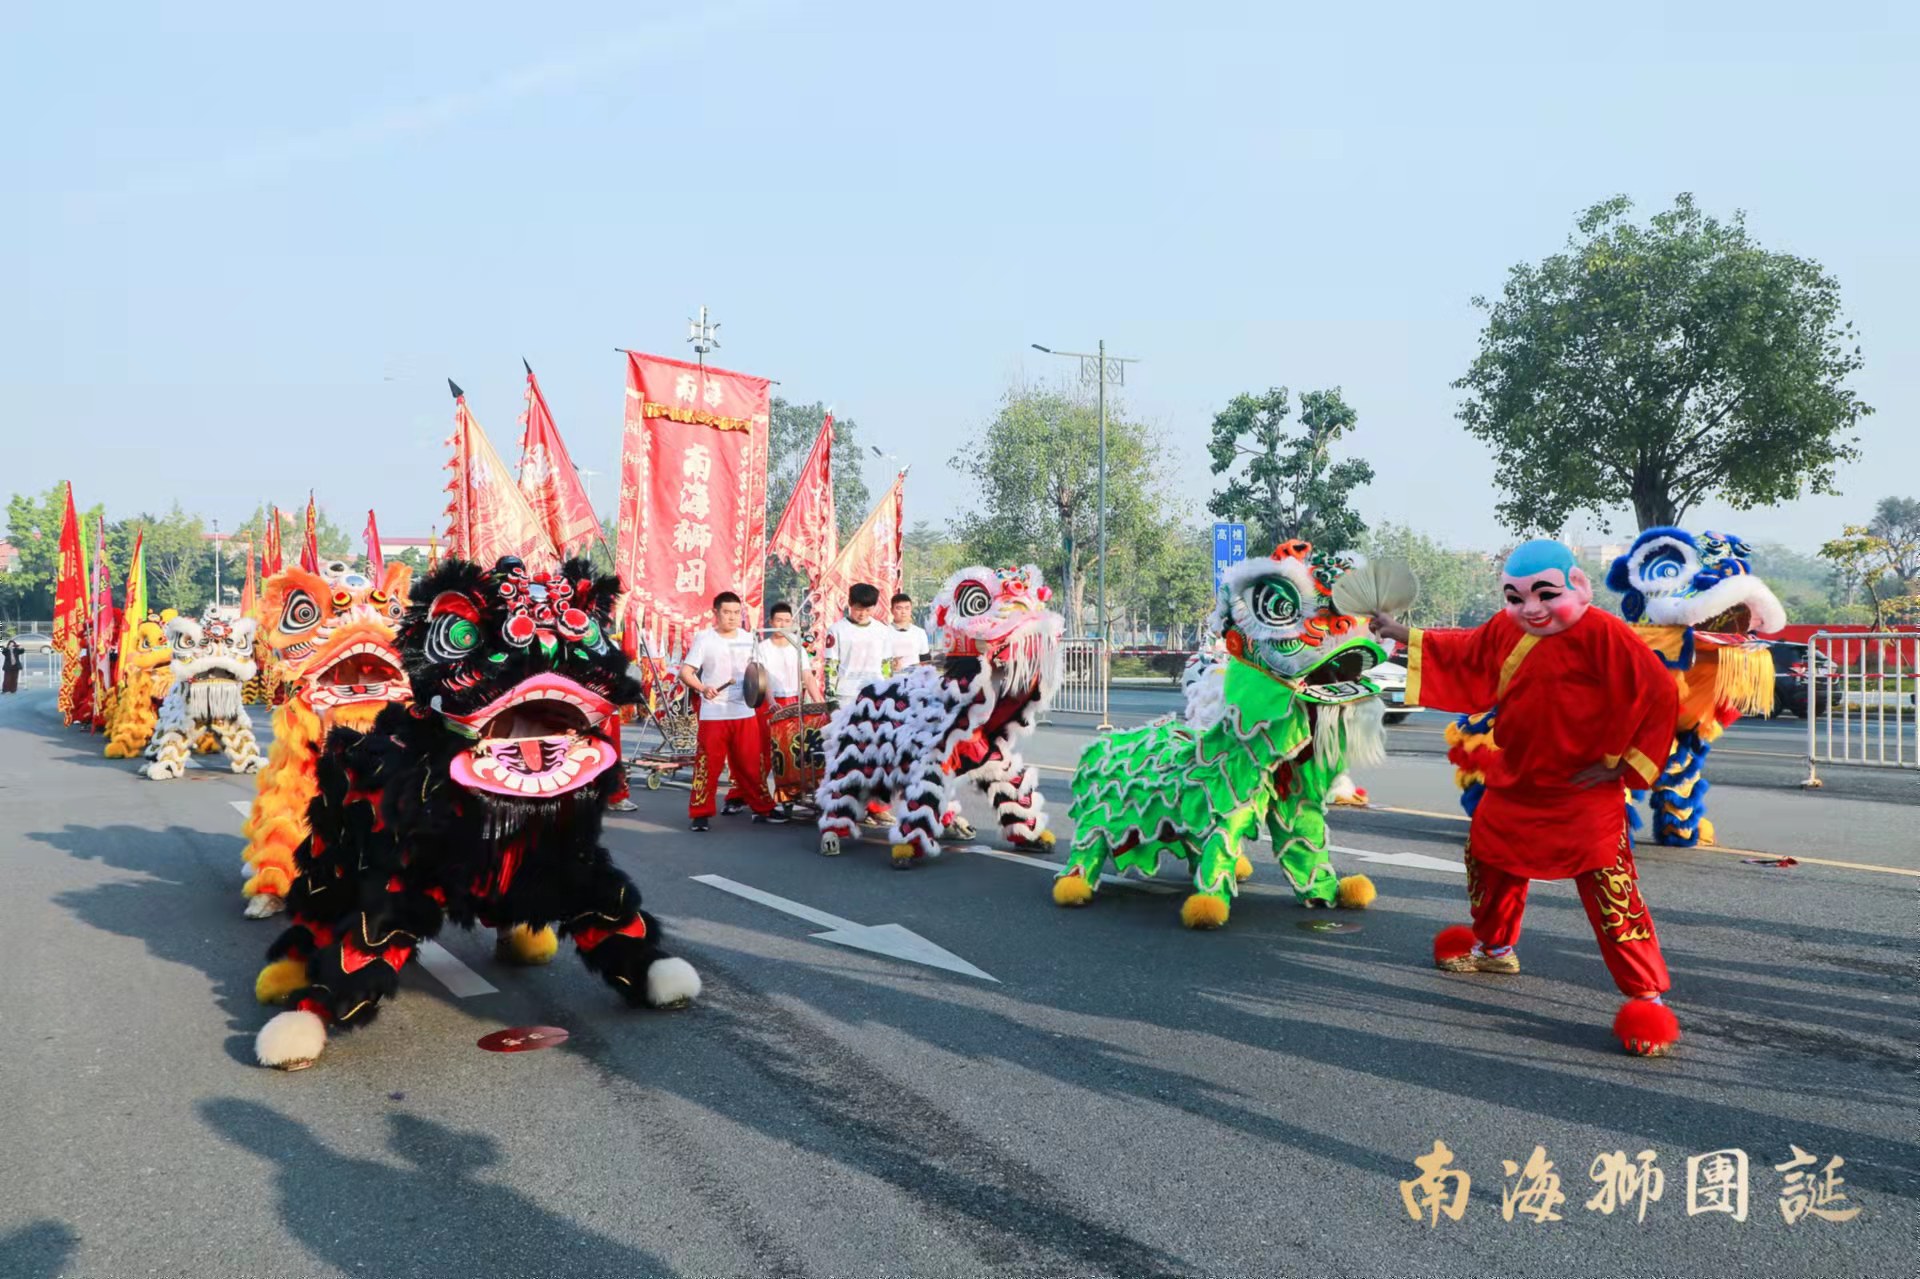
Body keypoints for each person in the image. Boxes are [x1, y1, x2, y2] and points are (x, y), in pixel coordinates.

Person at [1370, 538, 1684, 1057]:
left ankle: (1647, 996)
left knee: (1610, 891)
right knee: (1490, 860)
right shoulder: (1507, 628)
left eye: (1544, 594)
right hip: (1516, 780)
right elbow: (1467, 650)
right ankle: (1494, 948)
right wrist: (1403, 634)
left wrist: (1620, 764)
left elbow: (1657, 692)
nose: (1530, 609)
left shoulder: (1604, 633)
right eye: (1516, 598)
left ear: (1577, 586)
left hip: (1583, 792)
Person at [681, 591, 782, 832]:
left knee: (751, 764)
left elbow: (759, 672)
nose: (732, 617)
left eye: (737, 613)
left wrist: (768, 699)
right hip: (714, 713)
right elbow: (686, 672)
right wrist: (702, 687)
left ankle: (762, 807)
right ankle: (700, 813)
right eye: (727, 612)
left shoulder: (749, 638)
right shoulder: (705, 639)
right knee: (708, 764)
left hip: (743, 711)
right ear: (715, 613)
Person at [823, 583, 892, 703]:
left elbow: (886, 664)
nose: (862, 614)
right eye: (858, 609)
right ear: (850, 603)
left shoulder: (883, 631)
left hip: (876, 691)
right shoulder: (836, 630)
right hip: (846, 694)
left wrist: (888, 691)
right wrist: (830, 697)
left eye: (868, 610)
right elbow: (831, 664)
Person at [887, 592, 931, 673]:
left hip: (915, 678)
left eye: (907, 608)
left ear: (911, 610)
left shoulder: (920, 632)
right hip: (891, 678)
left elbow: (925, 659)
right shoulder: (884, 632)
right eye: (899, 608)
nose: (903, 612)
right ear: (892, 610)